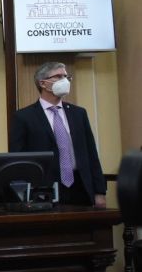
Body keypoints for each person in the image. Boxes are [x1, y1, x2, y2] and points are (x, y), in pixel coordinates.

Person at [9, 62, 106, 207]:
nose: (65, 81)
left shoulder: (78, 113)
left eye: (66, 77)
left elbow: (91, 154)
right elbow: (18, 157)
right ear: (43, 83)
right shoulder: (24, 117)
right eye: (59, 76)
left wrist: (100, 191)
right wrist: (23, 193)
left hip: (80, 187)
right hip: (44, 190)